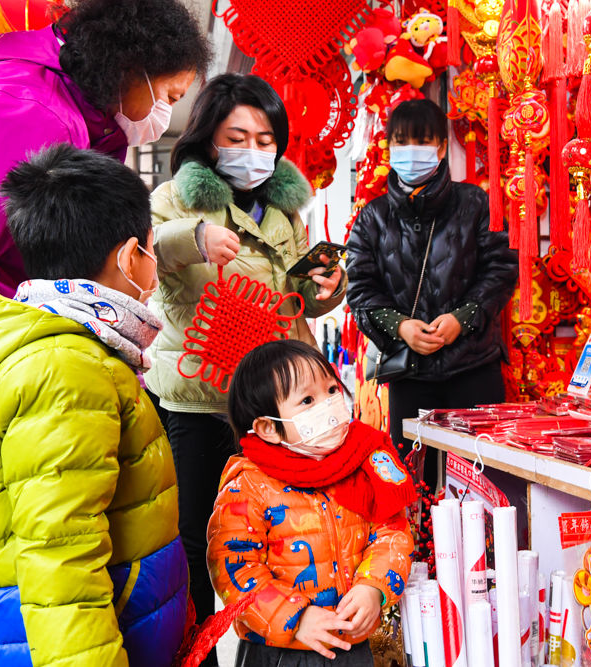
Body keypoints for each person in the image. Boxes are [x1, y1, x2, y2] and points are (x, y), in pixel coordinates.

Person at [0, 1, 209, 662]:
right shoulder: (29, 114)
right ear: (132, 69)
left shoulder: (46, 103)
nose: (162, 114)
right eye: (170, 95)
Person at [0, 144, 187, 666]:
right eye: (153, 250)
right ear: (130, 254)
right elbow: (61, 563)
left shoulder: (68, 347)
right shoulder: (66, 372)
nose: (154, 270)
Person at [145, 73, 346, 645]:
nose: (254, 152)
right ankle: (193, 653)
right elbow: (145, 253)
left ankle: (279, 642)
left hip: (276, 408)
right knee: (194, 540)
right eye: (238, 137)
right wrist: (196, 236)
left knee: (280, 534)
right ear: (209, 139)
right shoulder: (174, 200)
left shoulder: (283, 215)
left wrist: (327, 285)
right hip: (200, 401)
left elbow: (298, 298)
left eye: (266, 139)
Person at [206, 339, 414, 667]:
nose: (329, 404)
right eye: (307, 399)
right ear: (268, 428)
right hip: (278, 651)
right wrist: (295, 619)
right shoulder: (249, 484)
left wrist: (374, 586)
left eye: (331, 390)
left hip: (351, 645)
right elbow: (235, 567)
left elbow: (392, 531)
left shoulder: (362, 460)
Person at [345, 98, 518, 484]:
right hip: (409, 375)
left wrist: (463, 317)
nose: (411, 153)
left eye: (421, 142)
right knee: (414, 482)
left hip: (473, 366)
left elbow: (502, 269)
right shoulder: (372, 217)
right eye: (401, 143)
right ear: (388, 147)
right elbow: (359, 288)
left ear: (441, 147)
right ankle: (421, 547)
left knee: (486, 481)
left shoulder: (476, 203)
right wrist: (400, 326)